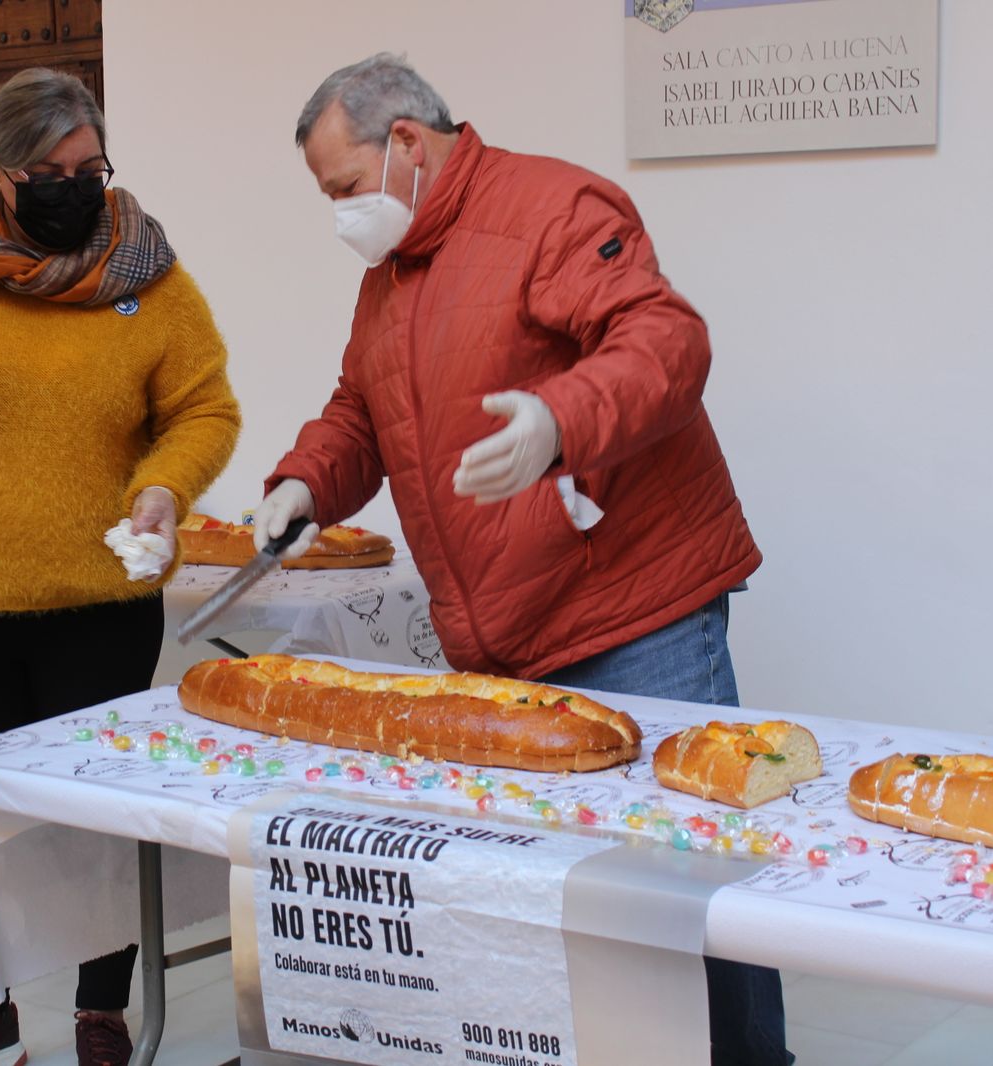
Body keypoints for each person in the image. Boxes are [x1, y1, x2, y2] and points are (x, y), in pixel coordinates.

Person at [252, 54, 787, 1066]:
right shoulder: (390, 275)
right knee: (565, 904)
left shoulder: (551, 208)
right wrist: (305, 483)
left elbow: (665, 342)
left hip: (634, 613)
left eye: (343, 187)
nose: (340, 216)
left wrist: (559, 420)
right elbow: (362, 409)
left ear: (406, 143)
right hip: (507, 638)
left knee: (689, 881)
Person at [0, 68, 240, 1066]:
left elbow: (203, 406)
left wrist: (163, 487)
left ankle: (100, 1012)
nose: (77, 191)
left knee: (95, 828)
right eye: (51, 174)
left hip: (102, 610)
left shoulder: (141, 268)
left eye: (91, 170)